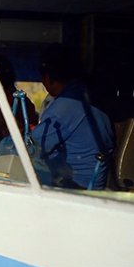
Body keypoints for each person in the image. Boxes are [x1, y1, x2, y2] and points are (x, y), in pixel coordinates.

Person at [31, 44, 114, 190]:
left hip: (74, 187)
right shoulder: (88, 96)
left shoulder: (67, 106)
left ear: (49, 78)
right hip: (92, 185)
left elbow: (32, 146)